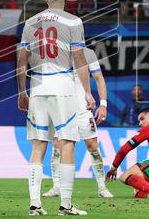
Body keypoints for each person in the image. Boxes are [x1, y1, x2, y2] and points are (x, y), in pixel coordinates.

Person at [17, 0, 94, 216]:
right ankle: (66, 205)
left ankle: (34, 204)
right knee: (67, 142)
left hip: (37, 86)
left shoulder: (31, 22)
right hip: (62, 85)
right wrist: (88, 92)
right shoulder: (73, 21)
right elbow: (79, 58)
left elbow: (22, 61)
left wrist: (22, 91)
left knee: (38, 145)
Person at [43, 45, 115, 198]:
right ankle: (56, 186)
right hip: (61, 108)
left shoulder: (88, 54)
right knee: (57, 145)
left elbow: (99, 78)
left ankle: (102, 187)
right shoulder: (54, 54)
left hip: (83, 108)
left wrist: (103, 104)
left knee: (93, 146)